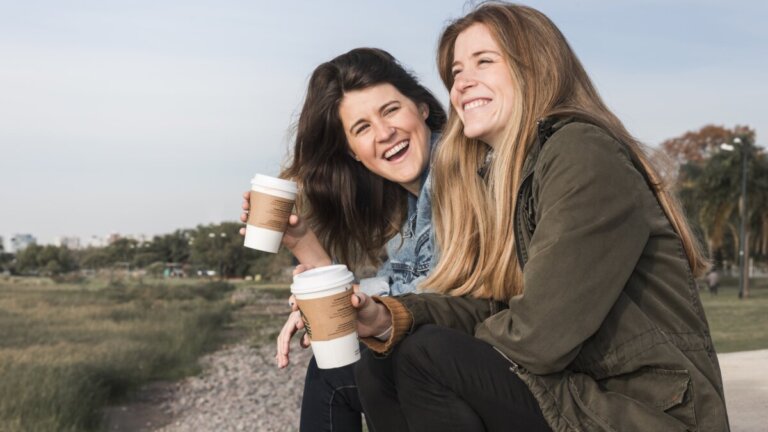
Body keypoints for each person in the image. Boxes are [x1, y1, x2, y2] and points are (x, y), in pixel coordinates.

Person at [350, 3, 729, 431]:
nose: (461, 84)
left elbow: (539, 335)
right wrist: (390, 317)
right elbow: (496, 306)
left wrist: (437, 342)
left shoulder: (582, 153)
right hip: (579, 393)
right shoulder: (511, 176)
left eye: (484, 62)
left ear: (535, 68)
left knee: (426, 355)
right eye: (456, 72)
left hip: (644, 411)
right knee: (377, 367)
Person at [240, 47, 446, 431]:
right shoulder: (407, 203)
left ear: (420, 107)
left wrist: (355, 309)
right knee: (335, 367)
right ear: (351, 152)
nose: (385, 133)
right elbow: (396, 289)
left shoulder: (455, 171)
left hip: (486, 365)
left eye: (390, 110)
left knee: (335, 375)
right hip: (444, 355)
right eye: (362, 127)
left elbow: (436, 297)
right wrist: (303, 243)